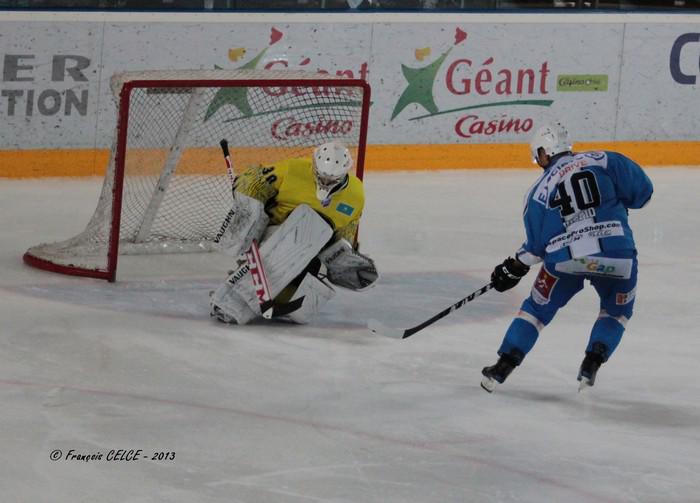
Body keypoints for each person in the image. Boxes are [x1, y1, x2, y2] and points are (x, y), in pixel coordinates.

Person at [481, 122, 653, 393]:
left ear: (544, 153)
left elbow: (536, 247)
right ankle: (592, 361)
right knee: (617, 311)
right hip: (617, 256)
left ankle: (503, 365)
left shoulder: (538, 191)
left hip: (565, 261)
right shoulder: (605, 159)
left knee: (536, 310)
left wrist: (513, 267)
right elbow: (643, 193)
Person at [210, 141, 378, 325]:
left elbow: (345, 232)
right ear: (314, 165)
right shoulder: (293, 169)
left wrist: (344, 257)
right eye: (321, 176)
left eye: (332, 180)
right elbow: (255, 179)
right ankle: (231, 302)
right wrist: (249, 210)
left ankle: (271, 294)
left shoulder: (355, 194)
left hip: (309, 248)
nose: (325, 182)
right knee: (308, 230)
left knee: (300, 310)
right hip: (274, 233)